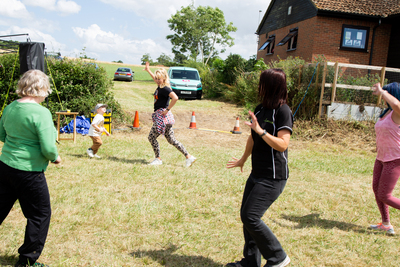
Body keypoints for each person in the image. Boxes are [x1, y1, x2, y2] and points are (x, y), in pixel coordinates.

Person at [226, 69, 293, 267]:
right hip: (257, 174)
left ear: (271, 86)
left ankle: (278, 257)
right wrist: (243, 159)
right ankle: (250, 262)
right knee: (246, 216)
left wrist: (261, 131)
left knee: (251, 216)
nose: (259, 86)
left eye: (262, 82)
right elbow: (252, 138)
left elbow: (283, 144)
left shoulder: (283, 111)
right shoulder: (259, 109)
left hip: (274, 177)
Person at [0, 69, 61, 267]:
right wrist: (55, 157)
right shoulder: (41, 112)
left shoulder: (10, 107)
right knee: (39, 214)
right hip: (29, 172)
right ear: (41, 88)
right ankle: (27, 260)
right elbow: (48, 147)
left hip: (6, 167)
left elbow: (2, 135)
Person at [144, 62, 196, 167]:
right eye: (156, 78)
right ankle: (189, 157)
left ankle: (158, 159)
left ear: (164, 78)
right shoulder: (160, 85)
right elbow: (155, 78)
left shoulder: (165, 88)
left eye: (159, 78)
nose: (157, 80)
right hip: (164, 117)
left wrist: (167, 109)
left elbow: (175, 97)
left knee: (151, 137)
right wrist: (148, 70)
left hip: (163, 117)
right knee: (171, 140)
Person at [370, 82, 400, 235]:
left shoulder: (397, 111)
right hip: (381, 157)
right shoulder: (387, 112)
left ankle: (387, 223)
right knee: (377, 189)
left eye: (386, 94)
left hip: (395, 158)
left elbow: (396, 104)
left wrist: (382, 91)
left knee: (385, 195)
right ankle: (386, 224)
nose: (382, 97)